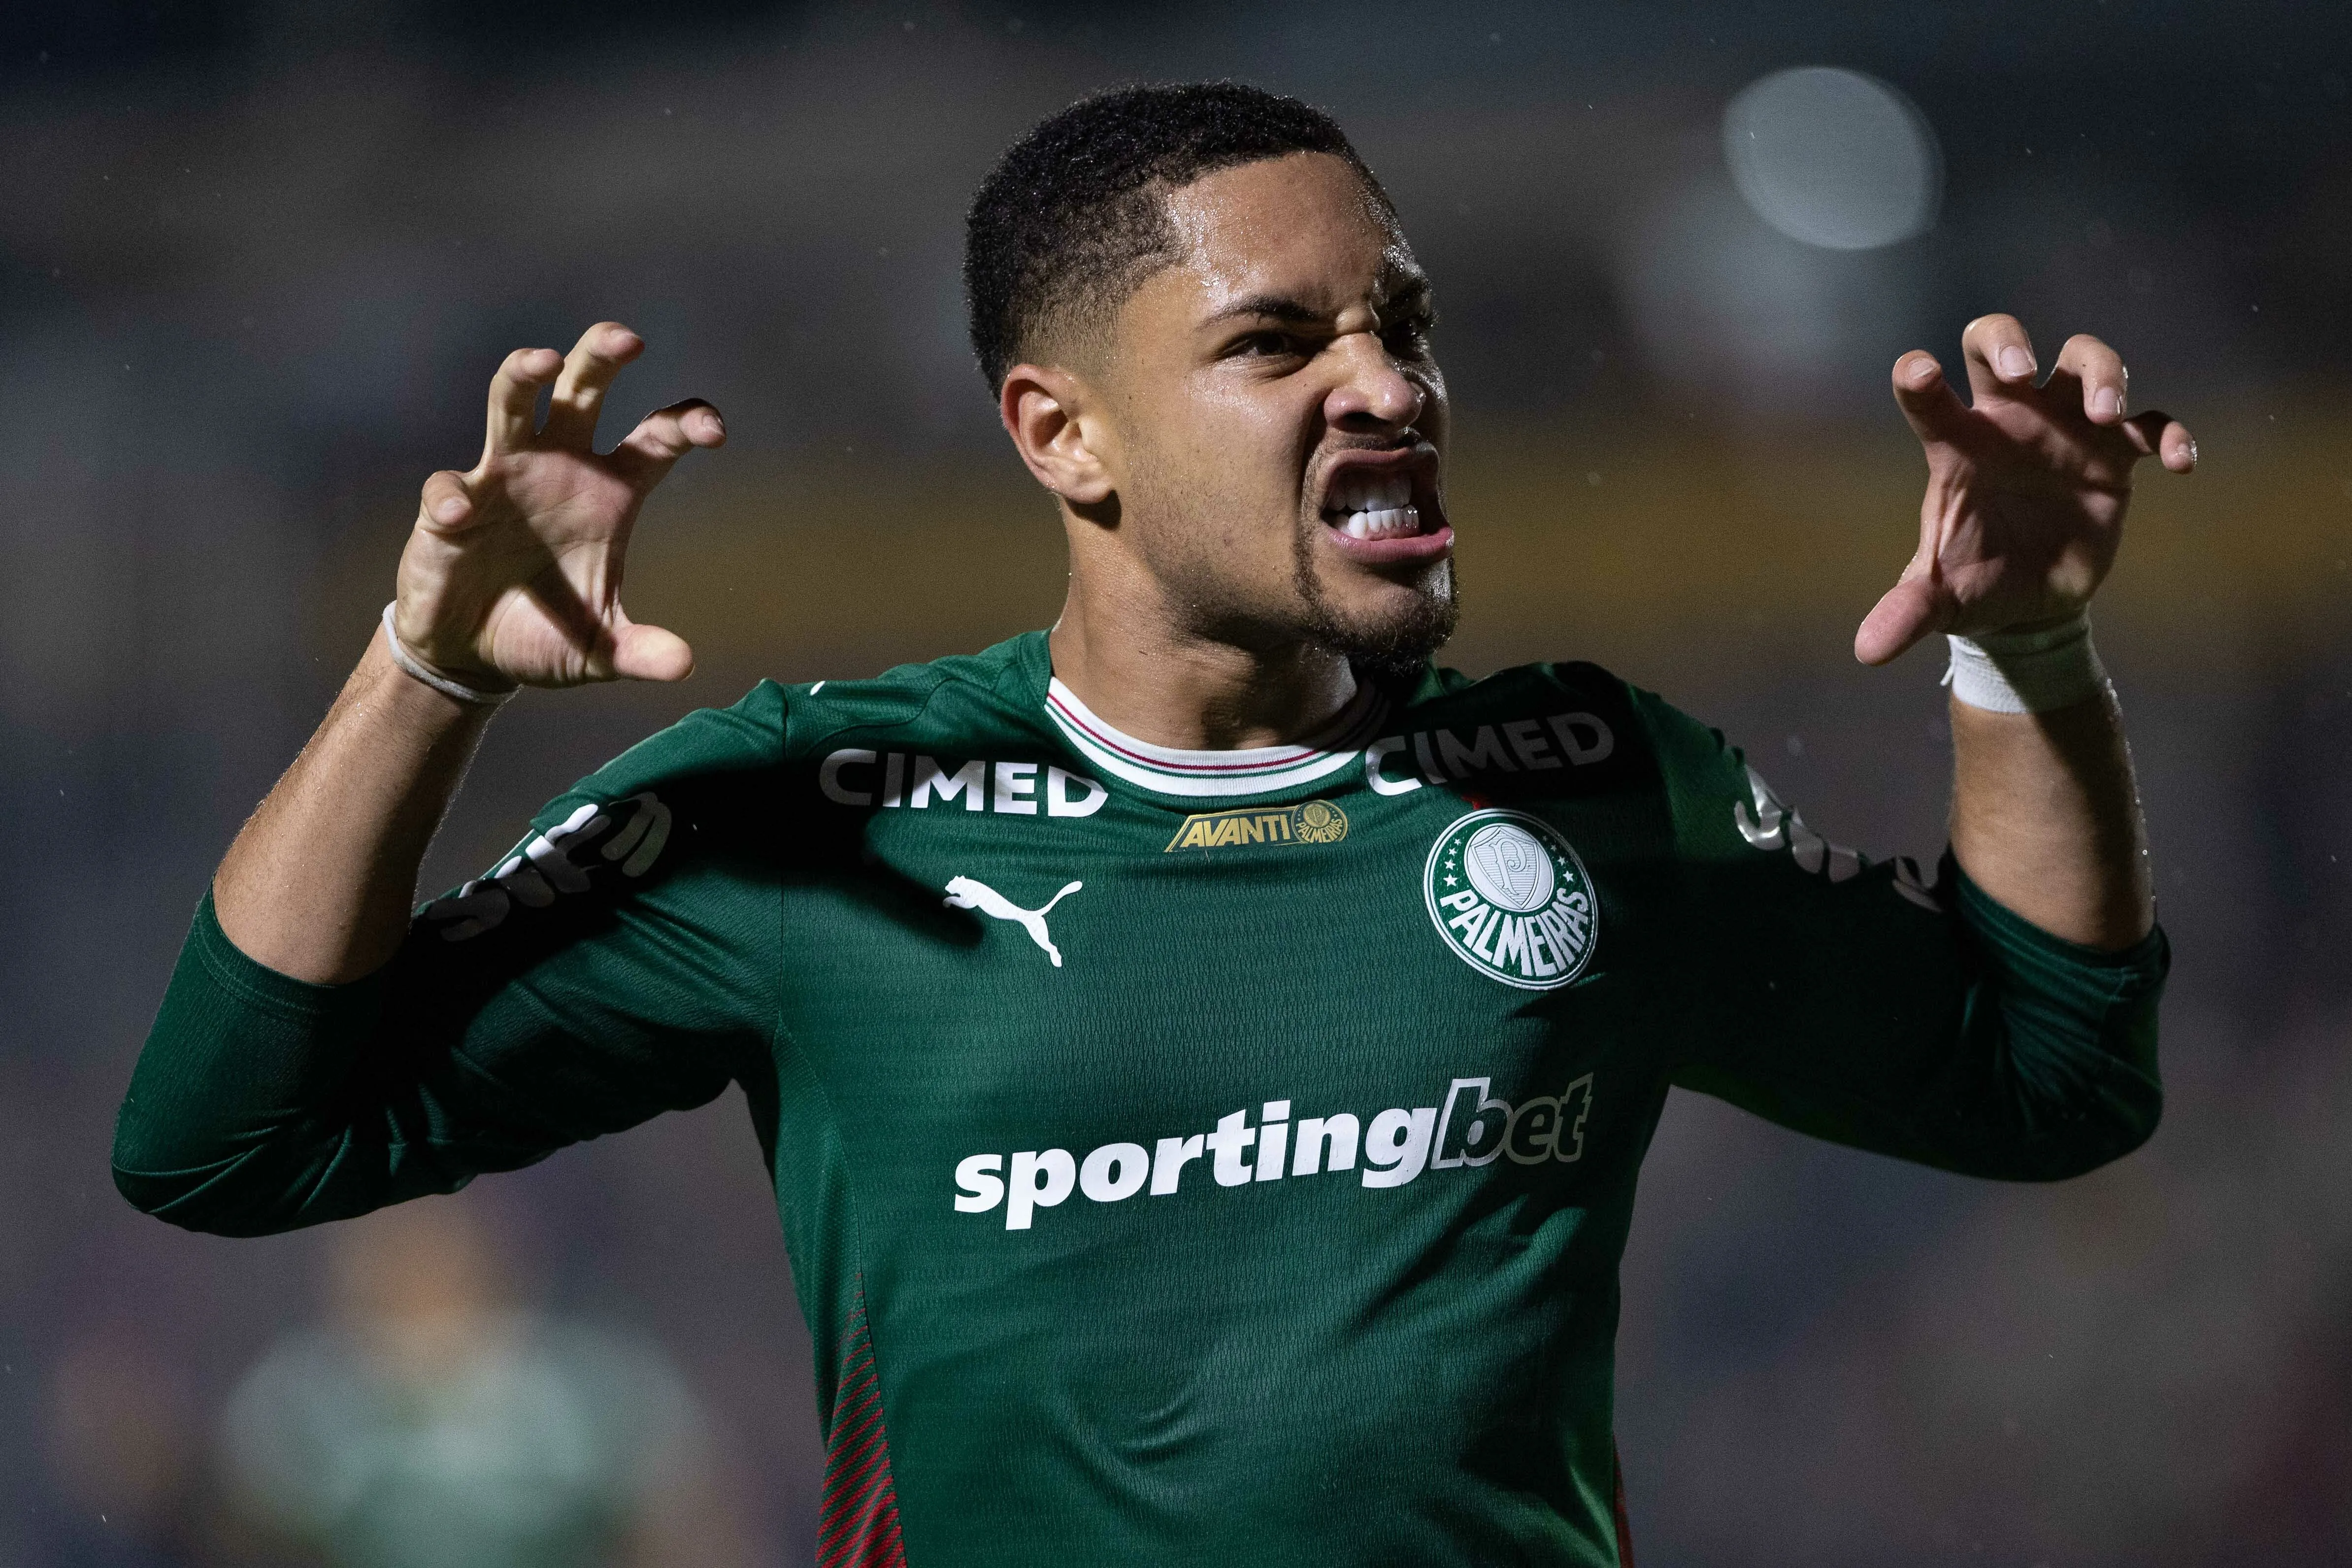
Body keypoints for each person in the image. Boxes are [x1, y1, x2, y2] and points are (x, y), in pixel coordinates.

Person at [114, 83, 2196, 1567]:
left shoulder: (1583, 784)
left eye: (1401, 320)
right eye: (1278, 340)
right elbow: (223, 1136)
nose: (1382, 380)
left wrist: (2022, 648)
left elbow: (2049, 1073)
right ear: (1061, 431)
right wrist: (423, 671)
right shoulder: (821, 808)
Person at [215, 1196, 743, 1568]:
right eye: (386, 1251)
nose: (410, 1270)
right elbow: (240, 1539)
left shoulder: (584, 1385)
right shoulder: (302, 1397)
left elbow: (687, 1526)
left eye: (429, 1250)